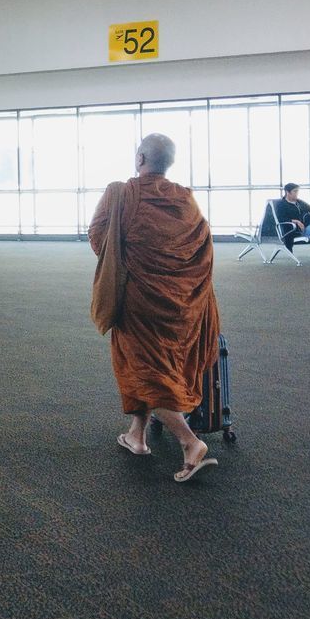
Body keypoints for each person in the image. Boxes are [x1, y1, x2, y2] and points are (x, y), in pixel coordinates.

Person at [89, 133, 222, 484]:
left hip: (139, 301)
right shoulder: (186, 198)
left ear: (139, 158)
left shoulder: (122, 193)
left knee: (144, 368)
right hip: (182, 301)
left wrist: (127, 256)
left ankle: (190, 443)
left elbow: (99, 238)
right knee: (146, 364)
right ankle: (137, 435)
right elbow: (203, 249)